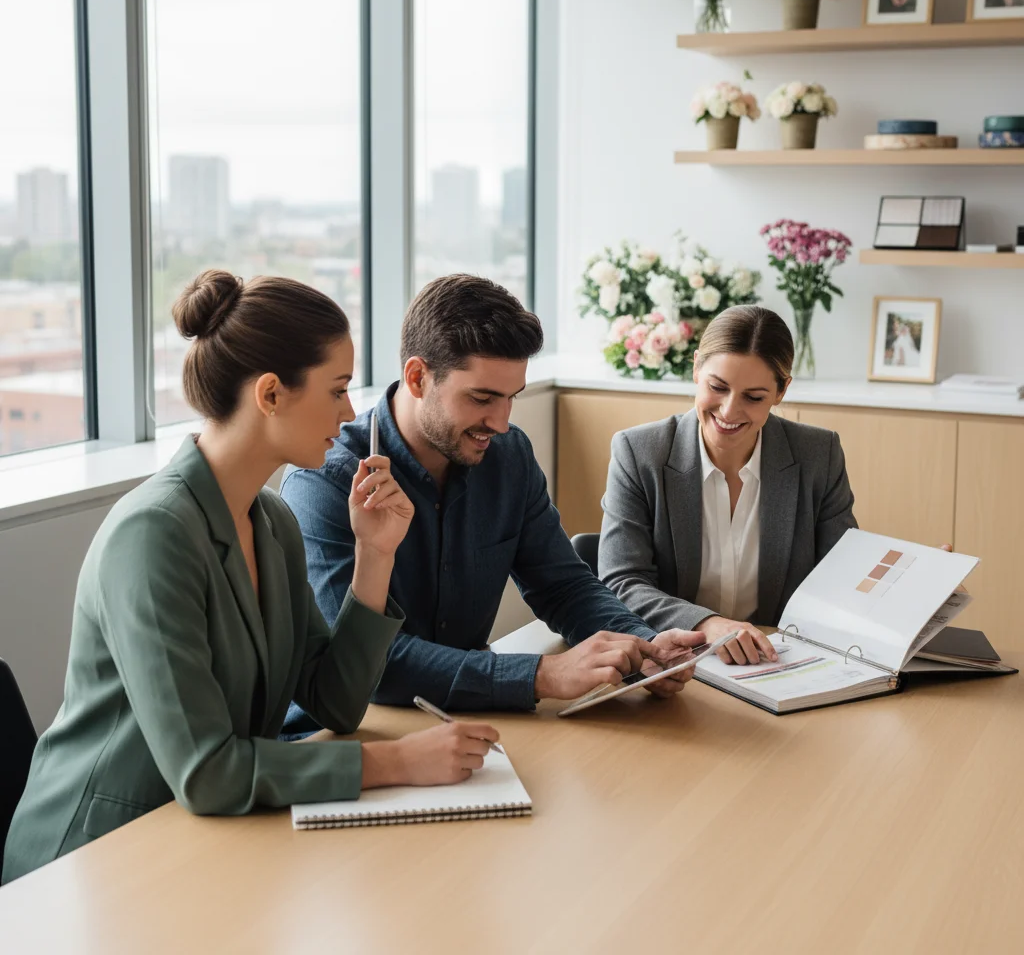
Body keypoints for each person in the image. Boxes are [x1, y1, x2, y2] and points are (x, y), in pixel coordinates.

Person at [2, 271, 499, 884]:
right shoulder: (152, 535)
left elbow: (336, 704)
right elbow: (207, 771)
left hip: (205, 839)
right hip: (91, 861)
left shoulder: (271, 521)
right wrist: (395, 762)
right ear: (270, 394)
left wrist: (376, 555)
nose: (349, 413)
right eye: (337, 389)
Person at [281, 274, 703, 729]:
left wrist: (643, 646)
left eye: (510, 398)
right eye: (482, 398)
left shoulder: (508, 456)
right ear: (418, 377)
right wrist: (541, 674)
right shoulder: (324, 480)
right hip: (350, 734)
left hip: (466, 722)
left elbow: (561, 584)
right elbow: (371, 665)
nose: (501, 423)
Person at [598, 305, 857, 667]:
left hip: (777, 665)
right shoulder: (639, 453)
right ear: (695, 369)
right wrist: (708, 624)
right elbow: (622, 582)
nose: (730, 411)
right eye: (717, 387)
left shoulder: (818, 454)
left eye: (754, 397)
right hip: (678, 667)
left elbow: (843, 574)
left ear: (781, 391)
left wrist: (915, 590)